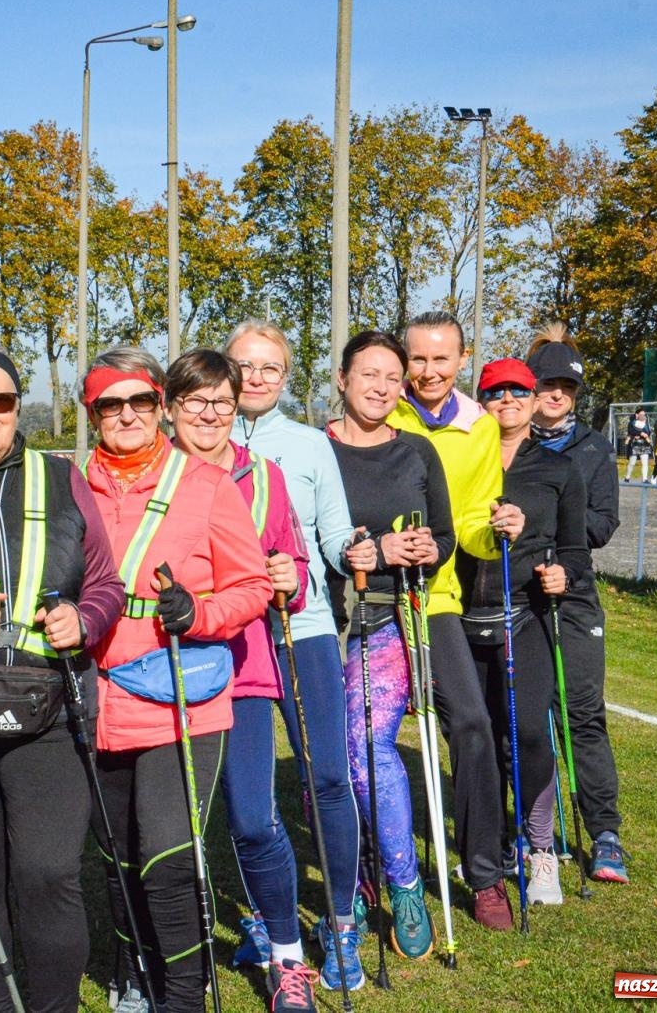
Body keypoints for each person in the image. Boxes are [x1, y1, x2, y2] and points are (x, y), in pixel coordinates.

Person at [0, 344, 125, 1013]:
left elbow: (106, 582)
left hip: (54, 703)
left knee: (47, 873)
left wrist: (85, 615)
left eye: (1, 401)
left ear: (19, 407)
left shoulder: (61, 475)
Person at [82, 346, 272, 1012]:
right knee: (119, 860)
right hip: (95, 698)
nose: (127, 415)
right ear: (93, 413)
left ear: (161, 406)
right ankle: (132, 971)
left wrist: (200, 613)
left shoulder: (206, 485)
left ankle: (183, 996)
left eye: (140, 401)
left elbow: (252, 588)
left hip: (177, 699)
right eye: (111, 404)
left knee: (165, 858)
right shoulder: (72, 484)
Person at [163, 349, 317, 1012]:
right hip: (163, 673)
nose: (208, 415)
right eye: (195, 402)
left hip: (245, 667)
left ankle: (287, 956)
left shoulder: (267, 479)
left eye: (221, 403)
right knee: (172, 832)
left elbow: (295, 562)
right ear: (170, 407)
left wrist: (292, 579)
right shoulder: (153, 474)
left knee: (253, 819)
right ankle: (170, 960)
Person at [225, 320, 367, 989]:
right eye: (244, 365)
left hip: (302, 629)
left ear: (287, 377)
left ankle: (342, 920)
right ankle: (265, 917)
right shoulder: (200, 444)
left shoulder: (311, 445)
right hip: (235, 639)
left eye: (270, 367)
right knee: (248, 798)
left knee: (329, 777)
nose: (256, 378)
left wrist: (353, 553)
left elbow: (334, 535)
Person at [387, 310, 525, 930]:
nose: (428, 371)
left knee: (470, 723)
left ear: (463, 361)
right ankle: (371, 866)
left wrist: (492, 531)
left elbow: (470, 521)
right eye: (417, 358)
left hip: (437, 598)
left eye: (441, 359)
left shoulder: (479, 428)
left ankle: (485, 873)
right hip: (368, 598)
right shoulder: (381, 412)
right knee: (366, 737)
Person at [325, 330, 455, 960]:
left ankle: (402, 883)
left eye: (390, 377)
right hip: (323, 622)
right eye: (367, 374)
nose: (379, 387)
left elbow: (446, 536)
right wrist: (369, 549)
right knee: (329, 757)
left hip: (388, 622)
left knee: (366, 743)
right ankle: (347, 884)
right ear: (342, 379)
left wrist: (429, 549)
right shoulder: (312, 448)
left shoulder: (419, 452)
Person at [460, 359, 588, 910]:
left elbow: (577, 551)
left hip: (528, 615)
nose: (507, 399)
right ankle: (491, 851)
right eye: (494, 391)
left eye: (518, 390)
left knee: (530, 735)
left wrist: (565, 575)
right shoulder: (463, 462)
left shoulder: (559, 471)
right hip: (463, 617)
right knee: (477, 737)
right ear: (481, 400)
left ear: (535, 401)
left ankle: (540, 849)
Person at [526, 327, 629, 884]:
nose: (557, 394)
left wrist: (560, 531)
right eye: (547, 383)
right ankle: (532, 832)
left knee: (582, 714)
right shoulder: (512, 445)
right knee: (527, 718)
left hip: (577, 594)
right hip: (523, 594)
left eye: (566, 385)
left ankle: (605, 834)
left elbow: (603, 524)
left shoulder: (593, 447)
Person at [623, 407, 652, 482]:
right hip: (635, 444)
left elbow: (649, 432)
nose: (643, 416)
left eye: (644, 415)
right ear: (637, 415)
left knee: (645, 462)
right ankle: (627, 477)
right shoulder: (632, 423)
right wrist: (640, 433)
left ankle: (645, 479)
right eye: (641, 414)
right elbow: (631, 431)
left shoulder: (646, 423)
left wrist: (645, 434)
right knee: (632, 462)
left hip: (644, 444)